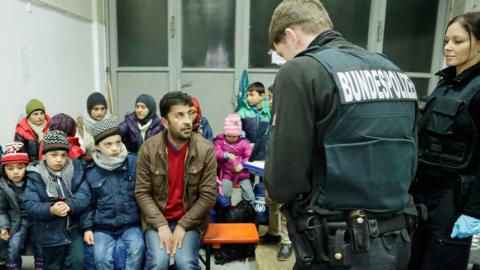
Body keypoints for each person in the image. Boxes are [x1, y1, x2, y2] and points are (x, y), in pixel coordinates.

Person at [264, 0, 418, 269]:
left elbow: (282, 183)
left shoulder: (300, 71)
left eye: (282, 53)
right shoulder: (393, 70)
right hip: (397, 240)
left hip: (337, 245)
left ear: (291, 35)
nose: (285, 61)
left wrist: (272, 190)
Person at [409, 11, 480, 270]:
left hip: (454, 202)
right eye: (447, 40)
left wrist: (474, 212)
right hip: (424, 195)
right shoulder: (447, 82)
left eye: (458, 41)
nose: (448, 47)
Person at [135, 91, 216, 270]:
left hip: (191, 220)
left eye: (189, 114)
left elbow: (208, 196)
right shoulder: (149, 148)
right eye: (179, 115)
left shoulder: (206, 149)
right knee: (158, 262)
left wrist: (183, 225)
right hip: (156, 220)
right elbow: (142, 192)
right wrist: (161, 224)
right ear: (165, 122)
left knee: (185, 262)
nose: (187, 121)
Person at [82, 119, 144, 269]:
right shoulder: (91, 171)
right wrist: (87, 228)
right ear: (97, 146)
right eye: (108, 144)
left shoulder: (133, 162)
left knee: (137, 249)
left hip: (130, 224)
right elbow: (88, 204)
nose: (115, 148)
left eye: (118, 142)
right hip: (103, 227)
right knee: (100, 258)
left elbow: (144, 194)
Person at [24, 130, 90, 270]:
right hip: (49, 232)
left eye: (63, 155)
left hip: (73, 228)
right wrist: (51, 209)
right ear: (43, 156)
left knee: (78, 261)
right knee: (53, 265)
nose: (59, 159)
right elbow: (30, 204)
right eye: (54, 155)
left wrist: (70, 205)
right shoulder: (35, 176)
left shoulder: (76, 171)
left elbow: (85, 194)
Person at [258, 85, 293, 261]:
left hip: (285, 170)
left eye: (271, 98)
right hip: (270, 168)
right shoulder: (271, 117)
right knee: (271, 203)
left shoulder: (289, 119)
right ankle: (273, 233)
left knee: (283, 207)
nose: (268, 101)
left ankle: (287, 242)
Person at [0, 142, 43, 269]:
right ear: (4, 169)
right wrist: (4, 227)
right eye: (10, 168)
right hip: (17, 221)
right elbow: (2, 210)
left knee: (41, 245)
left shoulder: (35, 180)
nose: (15, 172)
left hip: (37, 219)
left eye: (20, 167)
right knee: (14, 245)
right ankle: (13, 266)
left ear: (26, 166)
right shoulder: (3, 186)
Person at [214, 113, 255, 205]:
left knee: (249, 194)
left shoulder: (244, 143)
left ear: (239, 135)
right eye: (229, 136)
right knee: (224, 193)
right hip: (226, 173)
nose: (231, 138)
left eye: (234, 136)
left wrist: (242, 165)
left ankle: (248, 208)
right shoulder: (219, 141)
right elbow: (216, 152)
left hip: (242, 173)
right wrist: (225, 155)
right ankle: (226, 210)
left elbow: (249, 156)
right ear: (225, 133)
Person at [236, 82, 271, 161]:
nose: (248, 98)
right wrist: (246, 144)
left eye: (251, 95)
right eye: (247, 95)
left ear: (261, 96)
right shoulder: (242, 112)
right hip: (248, 152)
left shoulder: (270, 111)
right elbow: (236, 134)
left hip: (266, 153)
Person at [76, 92, 116, 157]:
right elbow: (80, 148)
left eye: (102, 109)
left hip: (110, 159)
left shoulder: (112, 123)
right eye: (96, 109)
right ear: (89, 110)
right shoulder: (81, 126)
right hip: (89, 162)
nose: (99, 112)